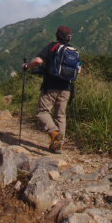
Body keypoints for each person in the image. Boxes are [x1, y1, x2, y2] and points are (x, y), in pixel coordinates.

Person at [23, 25, 81, 153]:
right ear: (69, 37)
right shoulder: (74, 50)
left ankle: (54, 133)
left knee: (43, 112)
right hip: (67, 87)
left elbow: (38, 61)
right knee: (61, 116)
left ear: (57, 35)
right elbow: (79, 69)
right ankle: (58, 146)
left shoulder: (52, 46)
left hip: (51, 86)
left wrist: (27, 65)